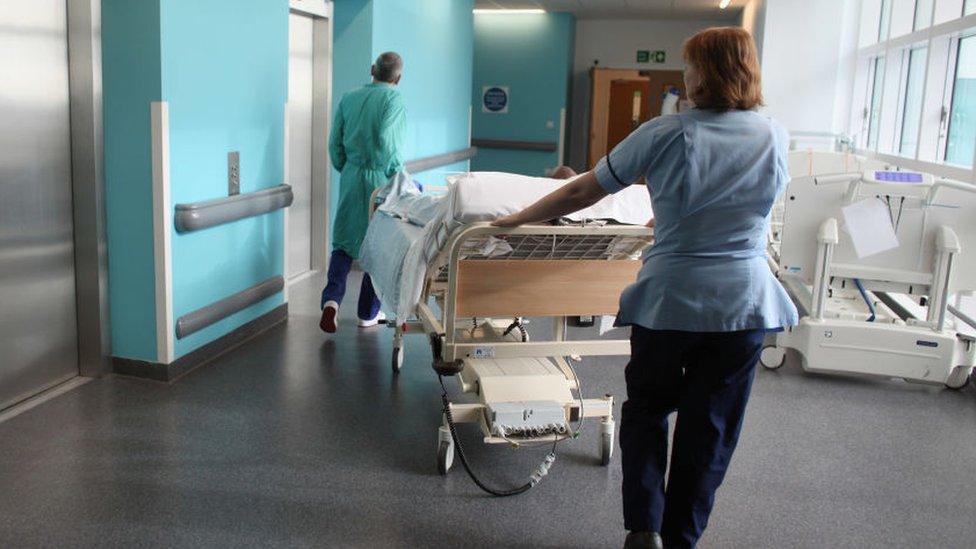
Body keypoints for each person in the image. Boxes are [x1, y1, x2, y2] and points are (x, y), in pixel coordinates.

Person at [493, 27, 797, 549]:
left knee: (649, 410)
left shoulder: (665, 133)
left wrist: (521, 217)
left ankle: (644, 527)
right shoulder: (774, 135)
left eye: (690, 66)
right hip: (742, 306)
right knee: (712, 428)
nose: (685, 76)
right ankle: (682, 539)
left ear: (705, 73)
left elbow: (587, 188)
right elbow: (750, 206)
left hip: (671, 303)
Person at [320, 52, 406, 334]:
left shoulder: (349, 97)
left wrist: (347, 168)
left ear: (372, 70)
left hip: (351, 175)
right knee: (377, 245)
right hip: (379, 178)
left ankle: (331, 302)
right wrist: (395, 174)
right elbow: (387, 142)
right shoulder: (394, 99)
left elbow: (334, 144)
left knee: (343, 242)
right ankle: (367, 313)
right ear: (398, 78)